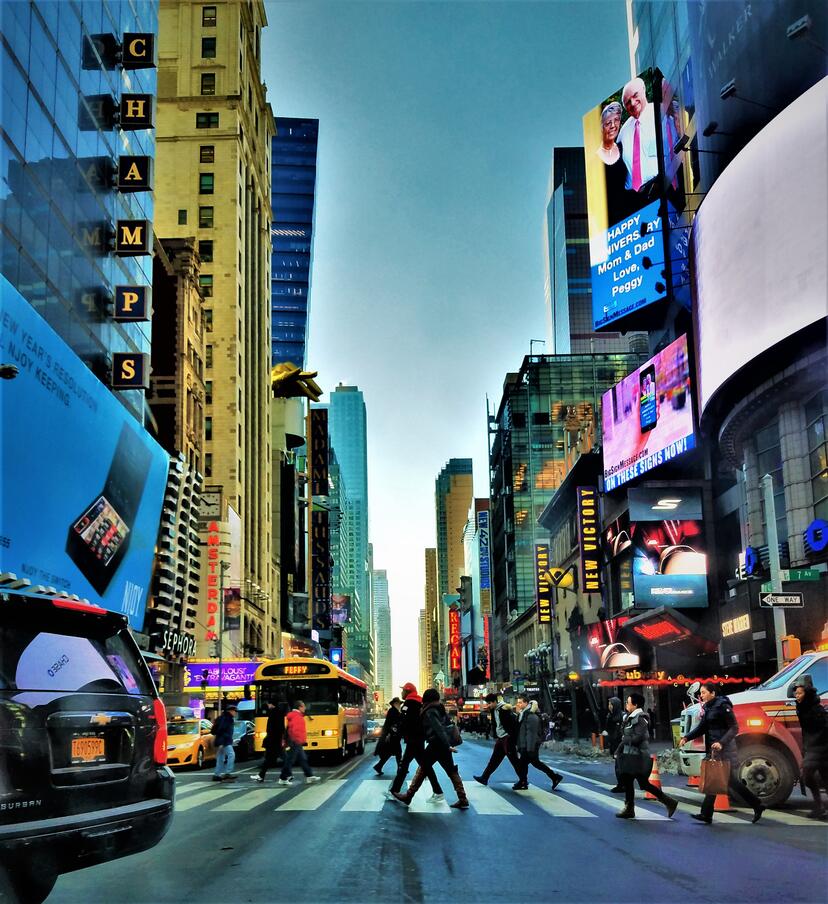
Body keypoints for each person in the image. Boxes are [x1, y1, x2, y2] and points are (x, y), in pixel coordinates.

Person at [679, 682, 765, 824]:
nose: (701, 695)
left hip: (724, 750)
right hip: (714, 750)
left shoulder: (723, 706)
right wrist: (687, 737)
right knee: (716, 780)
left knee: (727, 781)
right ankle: (707, 814)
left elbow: (734, 727)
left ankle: (756, 805)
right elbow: (702, 728)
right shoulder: (708, 707)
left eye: (704, 692)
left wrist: (721, 743)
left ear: (713, 693)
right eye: (700, 693)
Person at [391, 689, 469, 810]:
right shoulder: (440, 708)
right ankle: (463, 798)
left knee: (423, 768)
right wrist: (447, 745)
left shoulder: (429, 711)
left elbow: (438, 729)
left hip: (436, 744)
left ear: (427, 699)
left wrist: (447, 745)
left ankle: (408, 796)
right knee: (451, 770)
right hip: (442, 745)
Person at [615, 693, 678, 819]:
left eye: (628, 702)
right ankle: (630, 808)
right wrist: (618, 750)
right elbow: (627, 737)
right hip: (629, 755)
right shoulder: (629, 717)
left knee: (643, 783)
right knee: (629, 781)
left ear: (635, 705)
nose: (626, 704)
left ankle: (669, 802)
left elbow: (638, 737)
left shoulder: (640, 719)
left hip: (638, 756)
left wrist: (625, 739)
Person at [388, 683, 444, 802]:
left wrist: (396, 733)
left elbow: (404, 721)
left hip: (412, 739)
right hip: (419, 738)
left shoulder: (408, 704)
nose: (401, 692)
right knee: (423, 765)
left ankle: (394, 791)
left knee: (409, 765)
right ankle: (437, 791)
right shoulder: (420, 703)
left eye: (403, 690)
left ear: (407, 691)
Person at [617, 76, 659, 199]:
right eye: (627, 102)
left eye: (635, 95)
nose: (632, 103)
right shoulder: (623, 132)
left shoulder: (660, 112)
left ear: (644, 90)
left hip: (659, 188)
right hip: (633, 198)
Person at [513, 695, 563, 792]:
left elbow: (531, 733)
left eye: (520, 702)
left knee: (533, 763)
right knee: (526, 764)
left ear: (526, 703)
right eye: (518, 702)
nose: (518, 704)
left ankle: (554, 777)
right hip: (526, 744)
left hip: (530, 745)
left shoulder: (531, 716)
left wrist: (529, 748)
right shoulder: (524, 714)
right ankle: (523, 782)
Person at [793, 683, 827, 819]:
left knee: (807, 775)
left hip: (820, 748)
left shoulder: (816, 710)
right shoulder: (803, 708)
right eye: (796, 693)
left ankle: (819, 807)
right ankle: (820, 808)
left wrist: (813, 746)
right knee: (824, 778)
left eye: (800, 693)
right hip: (813, 747)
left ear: (807, 695)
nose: (797, 696)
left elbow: (821, 730)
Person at [596, 100, 632, 224]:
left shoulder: (623, 147)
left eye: (616, 120)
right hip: (608, 221)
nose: (613, 126)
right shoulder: (595, 158)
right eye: (608, 122)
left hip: (630, 214)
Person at [473, 693, 521, 786]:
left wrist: (511, 737)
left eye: (490, 703)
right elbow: (495, 724)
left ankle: (523, 780)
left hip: (507, 738)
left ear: (495, 701)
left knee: (514, 760)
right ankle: (484, 778)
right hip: (500, 738)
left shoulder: (504, 709)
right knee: (494, 760)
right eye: (487, 703)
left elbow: (513, 724)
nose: (488, 705)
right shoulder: (493, 710)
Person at [279, 701, 320, 785]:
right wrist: (298, 740)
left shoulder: (295, 715)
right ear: (299, 707)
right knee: (290, 760)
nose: (305, 708)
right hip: (296, 741)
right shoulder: (297, 716)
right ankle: (283, 778)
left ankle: (309, 776)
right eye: (303, 706)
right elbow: (296, 730)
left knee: (303, 759)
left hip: (296, 740)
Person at [251, 700, 285, 783]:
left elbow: (272, 728)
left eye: (269, 704)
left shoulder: (273, 713)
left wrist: (269, 737)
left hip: (273, 740)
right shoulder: (279, 712)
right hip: (276, 740)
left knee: (271, 758)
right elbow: (281, 727)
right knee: (271, 758)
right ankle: (261, 775)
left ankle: (287, 775)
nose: (268, 706)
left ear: (271, 704)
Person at [374, 697, 403, 775]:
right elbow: (393, 723)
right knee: (398, 753)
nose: (400, 705)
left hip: (391, 735)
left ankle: (379, 766)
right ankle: (400, 769)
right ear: (395, 703)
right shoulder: (393, 711)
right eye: (399, 704)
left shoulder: (394, 711)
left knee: (389, 753)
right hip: (392, 736)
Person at [211, 703, 238, 783]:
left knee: (220, 758)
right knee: (231, 755)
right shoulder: (227, 719)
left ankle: (217, 775)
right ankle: (227, 773)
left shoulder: (223, 717)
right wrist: (222, 742)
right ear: (230, 711)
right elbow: (222, 730)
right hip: (224, 741)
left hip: (222, 740)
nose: (235, 713)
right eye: (235, 711)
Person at [605, 697, 624, 793]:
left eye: (611, 704)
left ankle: (622, 785)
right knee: (618, 765)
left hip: (620, 744)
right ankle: (621, 784)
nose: (609, 706)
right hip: (614, 743)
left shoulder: (622, 716)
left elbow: (620, 732)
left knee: (620, 765)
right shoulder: (610, 716)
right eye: (609, 704)